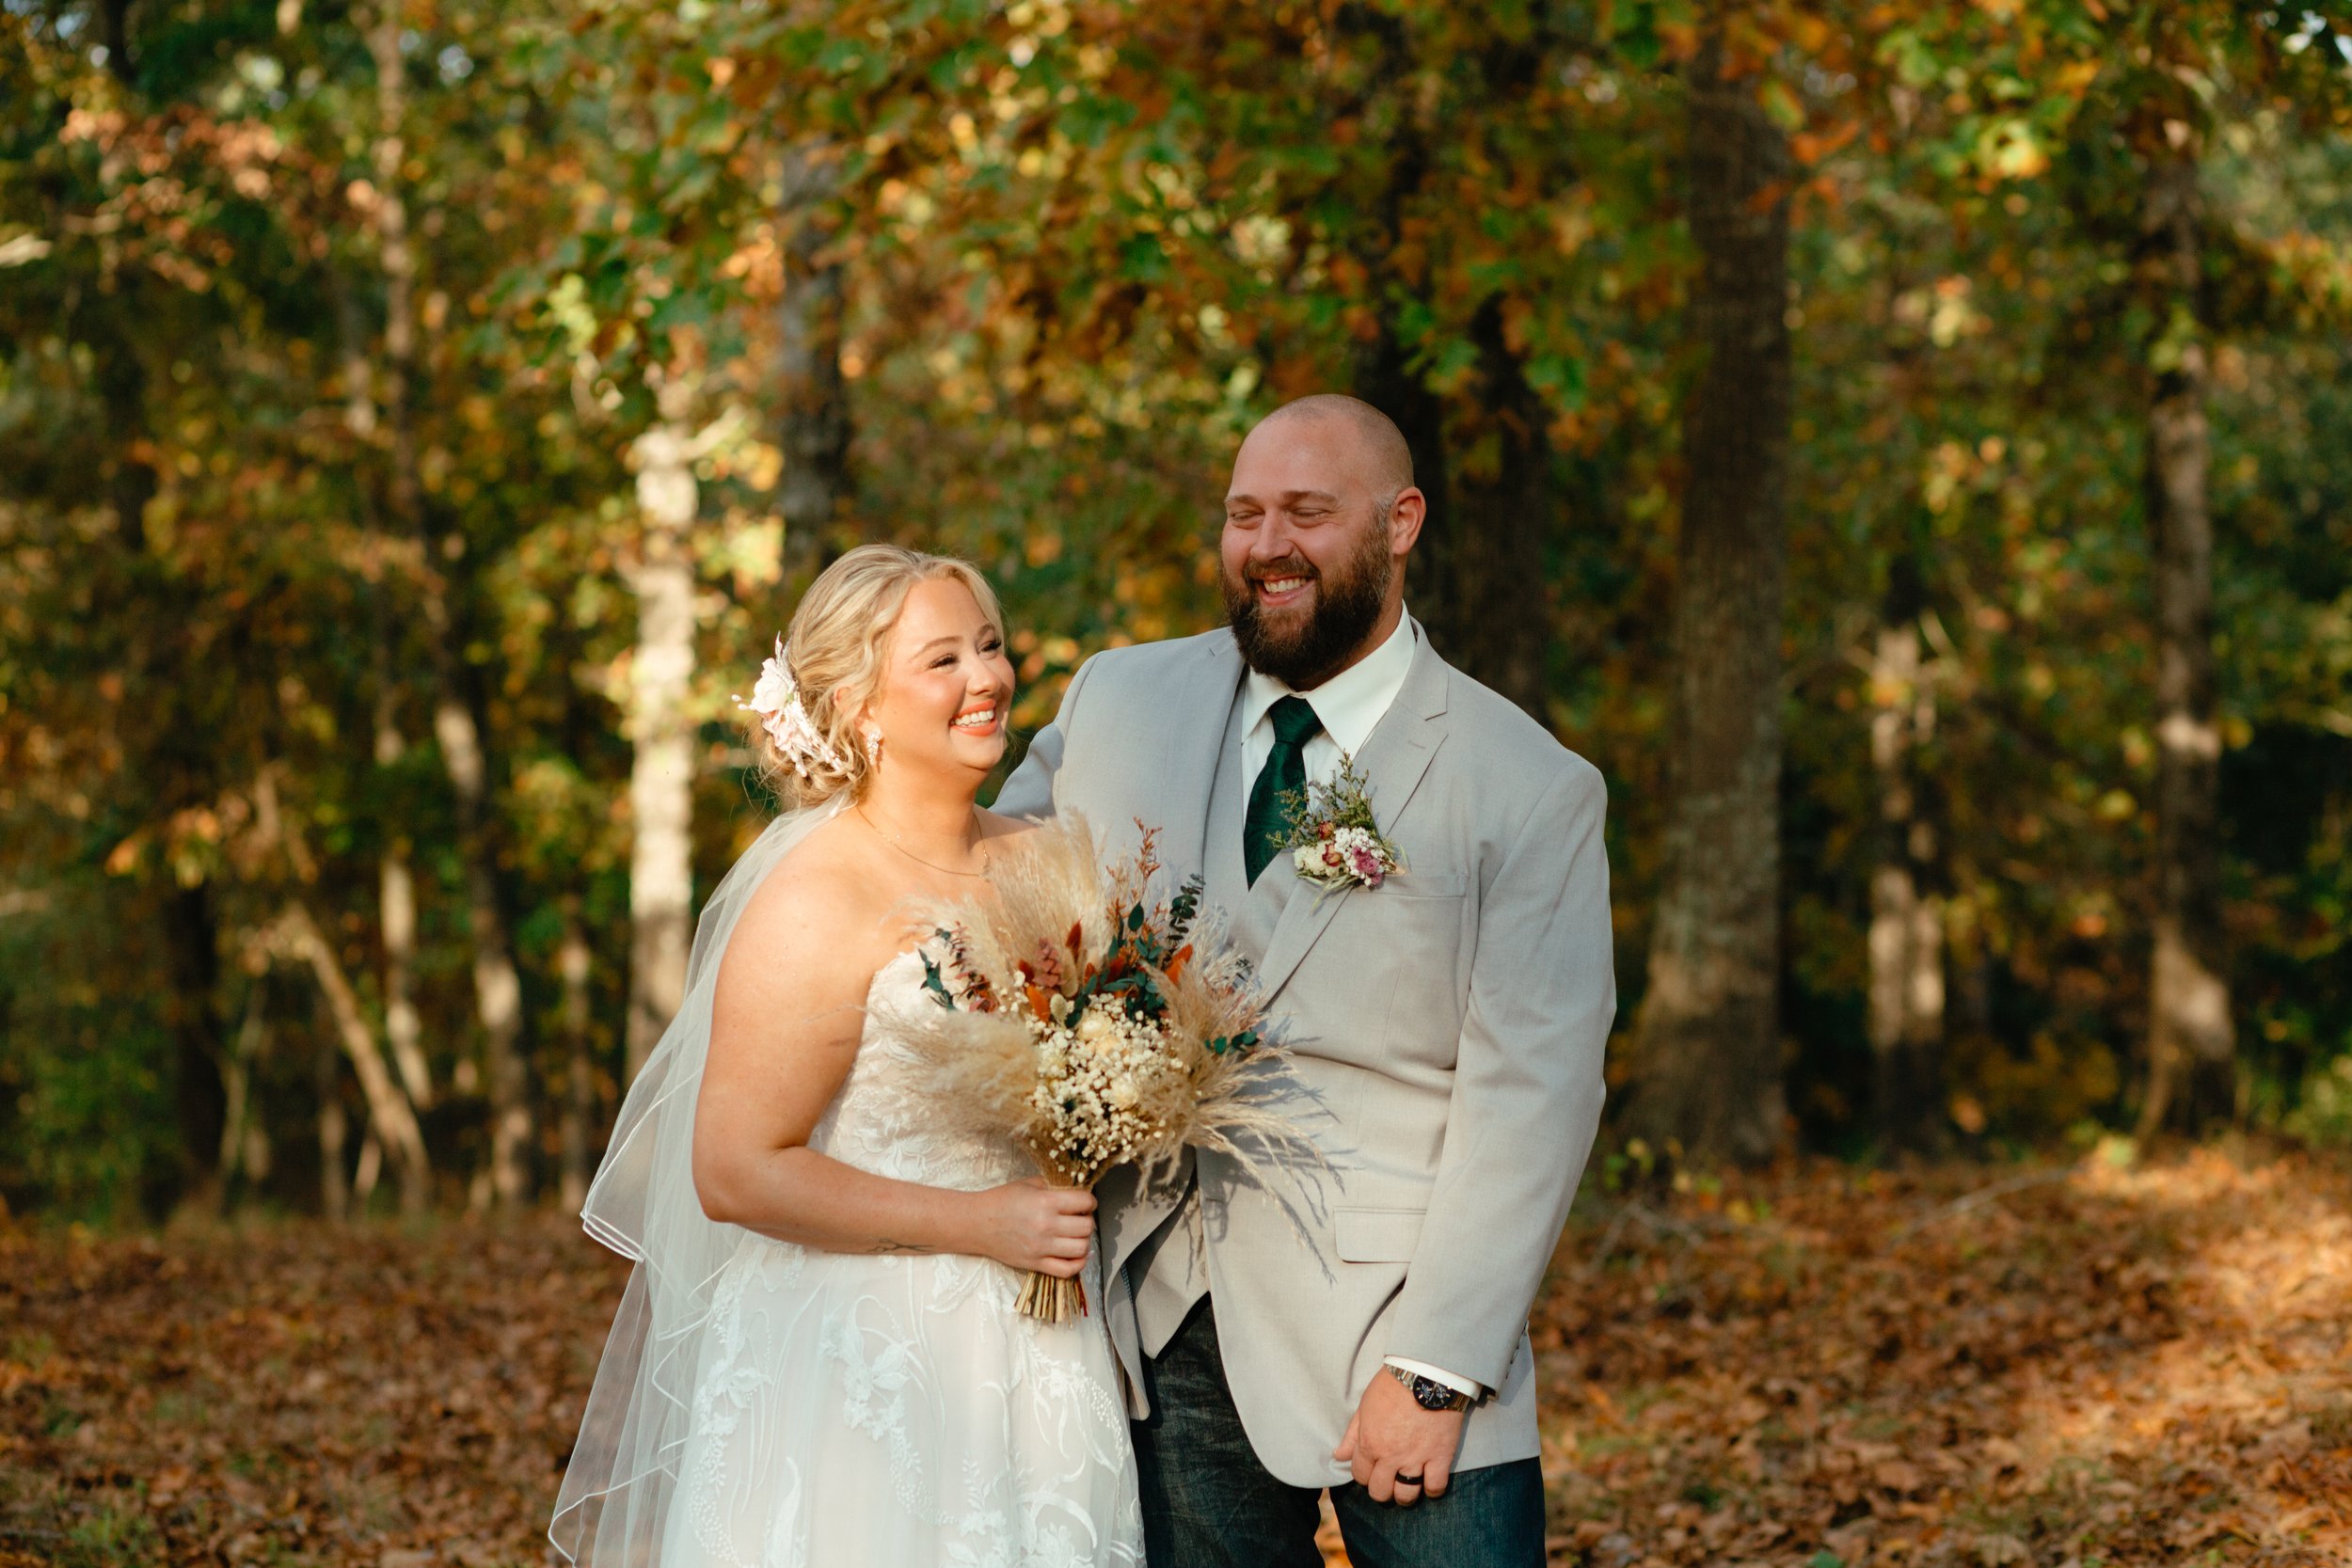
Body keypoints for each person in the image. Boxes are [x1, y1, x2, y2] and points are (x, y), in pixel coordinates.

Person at [996, 393, 1615, 1568]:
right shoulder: (1117, 699)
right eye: (1242, 513)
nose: (1265, 543)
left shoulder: (1525, 783)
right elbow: (974, 884)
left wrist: (1436, 1367)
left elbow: (1533, 1097)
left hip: (1399, 1333)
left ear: (1401, 522)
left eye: (1307, 512)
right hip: (1158, 1336)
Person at [550, 545, 1143, 1567]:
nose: (989, 679)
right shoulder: (816, 896)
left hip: (1043, 1340)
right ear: (859, 708)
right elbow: (735, 1168)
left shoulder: (1049, 859)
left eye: (992, 646)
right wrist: (978, 1221)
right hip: (868, 1355)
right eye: (943, 659)